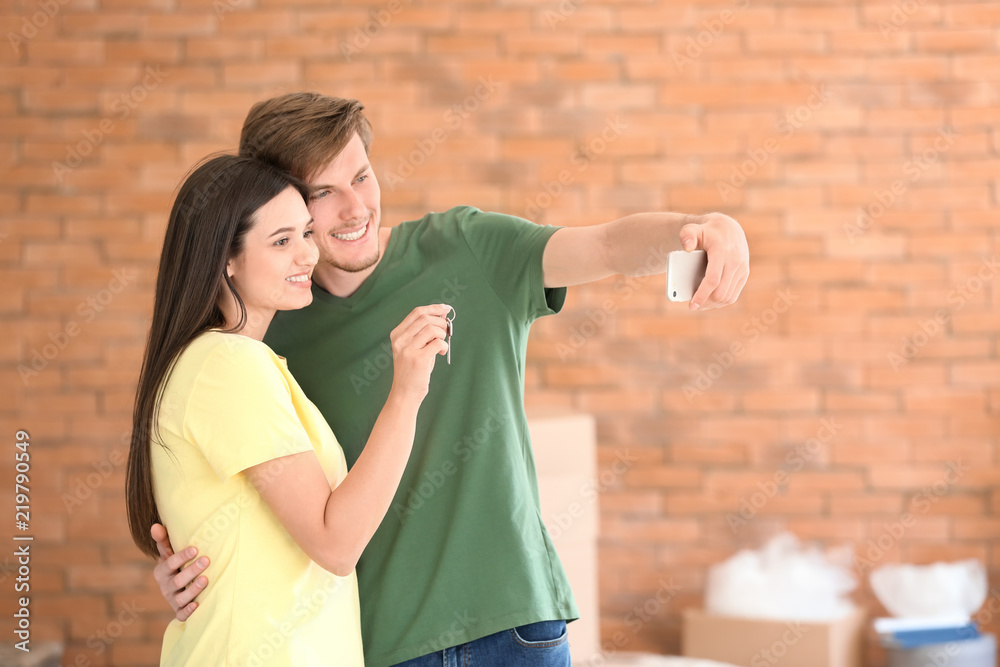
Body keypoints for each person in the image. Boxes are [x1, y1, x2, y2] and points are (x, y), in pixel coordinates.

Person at [150, 93, 751, 667]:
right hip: (375, 642)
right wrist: (189, 571)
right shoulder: (268, 332)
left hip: (510, 626)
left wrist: (699, 227)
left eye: (362, 176)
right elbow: (255, 504)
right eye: (322, 193)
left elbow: (606, 246)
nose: (356, 207)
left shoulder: (466, 248)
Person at [127, 153, 451, 666]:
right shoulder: (228, 365)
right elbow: (337, 544)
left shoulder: (233, 363)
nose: (307, 255)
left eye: (305, 233)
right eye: (281, 241)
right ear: (224, 259)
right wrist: (407, 390)